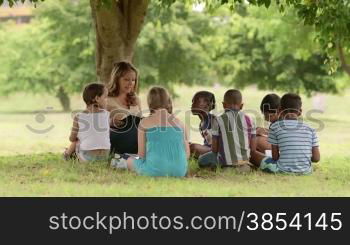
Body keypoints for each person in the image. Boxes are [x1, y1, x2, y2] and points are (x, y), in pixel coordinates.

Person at [112, 87, 189, 177]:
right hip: (180, 171)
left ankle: (116, 163)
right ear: (168, 101)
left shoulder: (145, 122)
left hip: (154, 170)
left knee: (122, 159)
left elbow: (141, 155)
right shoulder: (181, 123)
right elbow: (187, 153)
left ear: (150, 102)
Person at [251, 93, 321, 174]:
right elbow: (316, 158)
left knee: (252, 150)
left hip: (281, 168)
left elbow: (275, 157)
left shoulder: (275, 127)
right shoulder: (311, 129)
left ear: (279, 110)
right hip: (306, 170)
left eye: (268, 115)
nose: (266, 118)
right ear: (300, 111)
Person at [198, 89, 256, 171]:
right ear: (241, 105)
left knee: (201, 159)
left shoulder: (218, 120)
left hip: (226, 165)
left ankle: (222, 167)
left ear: (224, 105)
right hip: (244, 163)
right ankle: (243, 167)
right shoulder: (250, 120)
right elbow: (253, 148)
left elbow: (214, 149)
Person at [63, 83, 110, 162]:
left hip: (88, 157)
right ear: (97, 98)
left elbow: (72, 139)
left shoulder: (78, 116)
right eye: (106, 97)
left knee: (77, 140)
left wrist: (77, 136)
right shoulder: (107, 114)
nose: (107, 100)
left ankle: (67, 154)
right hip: (105, 157)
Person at [107, 61, 142, 154]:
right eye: (126, 79)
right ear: (116, 79)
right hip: (117, 140)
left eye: (133, 80)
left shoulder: (136, 99)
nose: (131, 83)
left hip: (137, 140)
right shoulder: (107, 100)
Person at [190, 91, 216, 158]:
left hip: (216, 151)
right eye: (192, 102)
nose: (192, 105)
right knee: (186, 144)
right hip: (208, 149)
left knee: (193, 147)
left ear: (207, 105)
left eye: (195, 102)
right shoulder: (201, 123)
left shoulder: (213, 120)